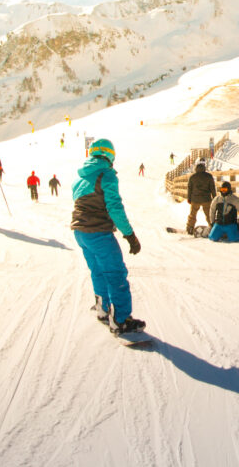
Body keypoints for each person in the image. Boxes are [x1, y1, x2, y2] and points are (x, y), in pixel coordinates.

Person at [71, 138, 145, 334]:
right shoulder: (107, 175)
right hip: (98, 232)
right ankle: (120, 320)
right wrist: (129, 235)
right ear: (109, 155)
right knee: (115, 274)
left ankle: (103, 309)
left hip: (80, 233)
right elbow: (114, 208)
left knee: (97, 270)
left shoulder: (79, 178)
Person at [185, 160, 216, 236]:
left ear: (196, 169)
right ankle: (213, 227)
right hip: (206, 199)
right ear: (204, 168)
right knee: (209, 214)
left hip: (195, 200)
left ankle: (190, 228)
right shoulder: (209, 176)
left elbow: (189, 188)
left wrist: (189, 198)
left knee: (192, 215)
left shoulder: (192, 177)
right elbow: (212, 188)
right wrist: (214, 197)